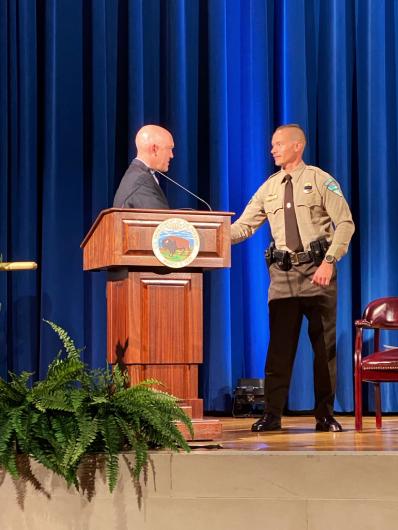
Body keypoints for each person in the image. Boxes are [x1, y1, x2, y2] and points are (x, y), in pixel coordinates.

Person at [231, 124, 355, 432]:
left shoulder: (320, 180)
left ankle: (325, 415)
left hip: (318, 274)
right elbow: (243, 227)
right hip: (283, 278)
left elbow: (345, 224)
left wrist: (329, 261)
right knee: (278, 351)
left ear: (297, 146)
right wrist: (206, 235)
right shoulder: (269, 187)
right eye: (272, 144)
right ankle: (272, 415)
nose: (272, 149)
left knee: (323, 350)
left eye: (278, 144)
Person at [113, 124, 174, 209]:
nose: (171, 155)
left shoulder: (136, 175)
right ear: (154, 149)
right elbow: (160, 221)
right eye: (169, 148)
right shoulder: (141, 182)